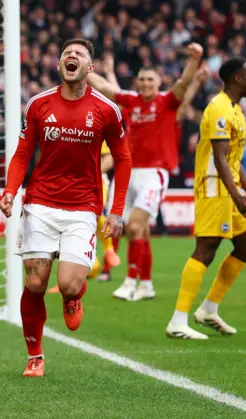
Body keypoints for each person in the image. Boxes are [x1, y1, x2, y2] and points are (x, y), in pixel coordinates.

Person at [0, 39, 132, 377]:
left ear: (90, 68)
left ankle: (73, 297)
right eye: (65, 54)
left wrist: (116, 210)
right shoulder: (38, 104)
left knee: (69, 283)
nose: (71, 58)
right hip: (40, 203)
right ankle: (35, 355)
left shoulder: (106, 110)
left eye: (80, 55)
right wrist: (11, 191)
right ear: (59, 65)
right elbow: (23, 153)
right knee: (35, 284)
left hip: (83, 207)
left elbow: (123, 158)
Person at [165, 57, 246, 339]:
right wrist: (239, 198)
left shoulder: (235, 110)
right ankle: (177, 321)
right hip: (214, 188)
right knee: (206, 248)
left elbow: (232, 158)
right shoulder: (218, 108)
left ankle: (208, 309)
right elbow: (219, 158)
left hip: (229, 189)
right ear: (237, 78)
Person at [88, 43, 204, 301]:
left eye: (150, 79)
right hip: (128, 173)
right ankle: (147, 284)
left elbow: (184, 82)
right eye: (141, 79)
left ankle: (130, 282)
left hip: (154, 173)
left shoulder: (167, 101)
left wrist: (195, 60)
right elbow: (106, 88)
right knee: (133, 231)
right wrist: (83, 68)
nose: (145, 83)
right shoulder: (132, 101)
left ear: (159, 81)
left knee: (138, 224)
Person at [47, 140, 117, 292]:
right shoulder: (64, 132)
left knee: (93, 215)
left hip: (96, 182)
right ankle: (81, 271)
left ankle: (109, 250)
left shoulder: (94, 127)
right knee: (65, 224)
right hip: (70, 182)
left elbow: (109, 160)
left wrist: (91, 173)